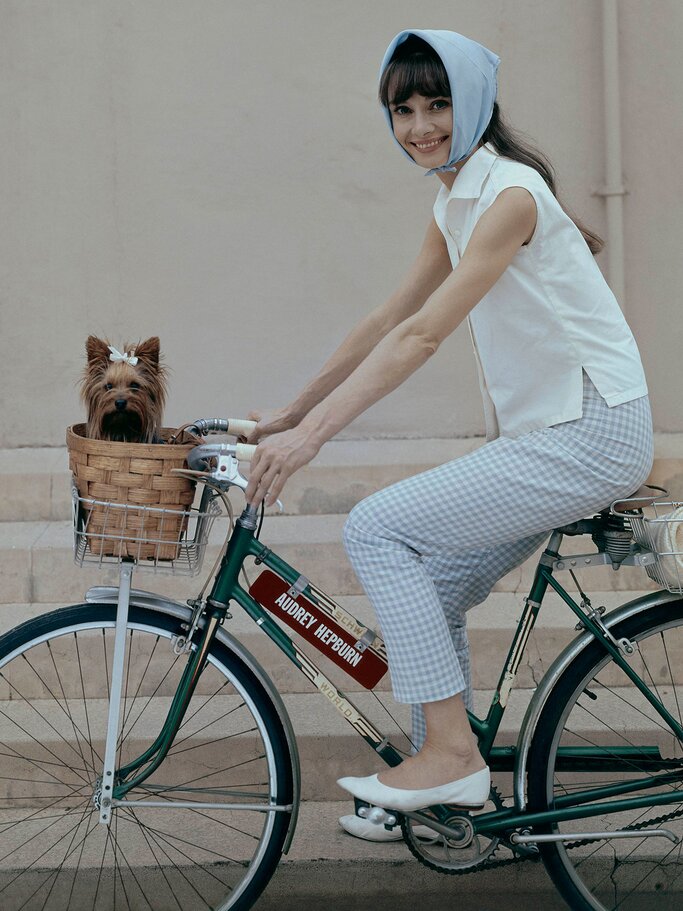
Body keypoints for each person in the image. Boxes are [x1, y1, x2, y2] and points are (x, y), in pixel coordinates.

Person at [243, 29, 653, 841]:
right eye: (403, 109)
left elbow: (423, 336)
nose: (420, 125)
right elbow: (386, 318)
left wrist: (311, 441)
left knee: (377, 526)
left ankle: (449, 756)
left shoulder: (510, 196)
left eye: (438, 104)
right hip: (549, 434)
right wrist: (292, 411)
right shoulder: (455, 196)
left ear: (474, 107)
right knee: (429, 584)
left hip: (588, 433)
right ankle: (449, 786)